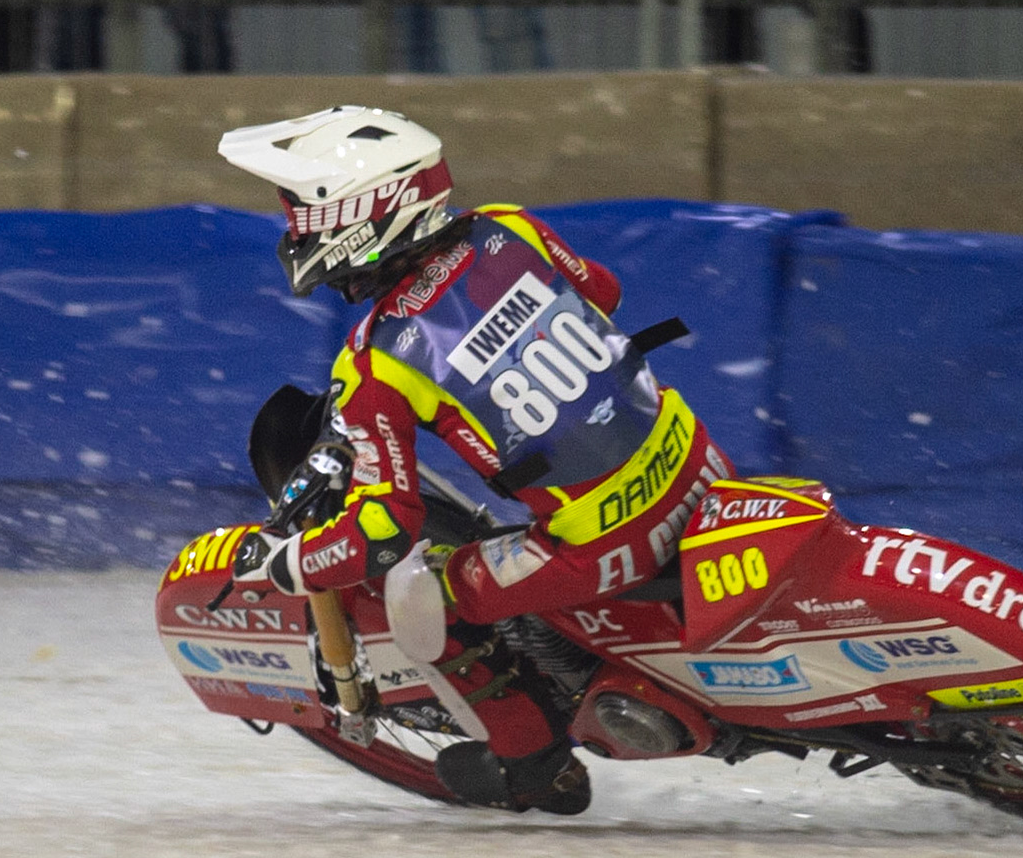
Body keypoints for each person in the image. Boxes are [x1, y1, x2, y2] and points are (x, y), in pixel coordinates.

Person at [218, 106, 733, 816]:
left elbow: (383, 532)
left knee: (419, 594)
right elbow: (602, 293)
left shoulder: (377, 360)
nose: (296, 233)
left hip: (605, 546)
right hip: (699, 464)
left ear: (361, 216)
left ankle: (533, 765)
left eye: (305, 215)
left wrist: (283, 565)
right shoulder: (508, 226)